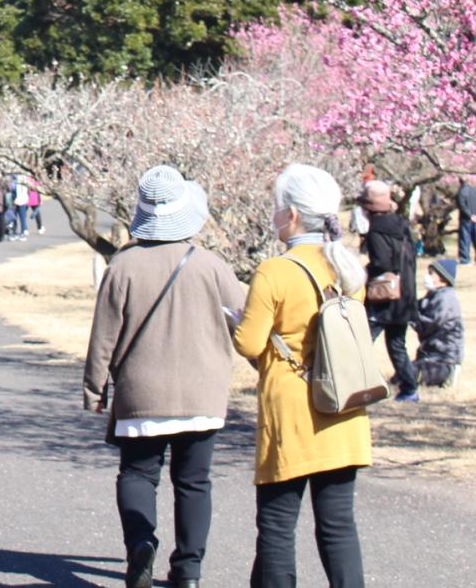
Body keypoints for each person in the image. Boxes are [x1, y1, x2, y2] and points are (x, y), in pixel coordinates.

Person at [84, 165, 247, 588]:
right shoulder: (212, 265)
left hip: (141, 391)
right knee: (194, 483)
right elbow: (245, 319)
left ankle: (141, 542)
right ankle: (188, 572)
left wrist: (94, 388)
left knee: (137, 475)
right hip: (202, 394)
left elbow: (104, 335)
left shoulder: (122, 266)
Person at [233, 163, 371, 588]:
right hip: (343, 405)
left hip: (291, 411)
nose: (274, 215)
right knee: (338, 525)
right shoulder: (347, 268)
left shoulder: (276, 271)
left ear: (292, 214)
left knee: (277, 525)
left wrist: (237, 321)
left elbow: (249, 344)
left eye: (277, 208)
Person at [360, 180, 420, 402]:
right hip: (404, 295)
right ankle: (409, 388)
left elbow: (383, 263)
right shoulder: (401, 225)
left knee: (362, 340)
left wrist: (367, 270)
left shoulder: (376, 230)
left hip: (384, 296)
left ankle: (357, 383)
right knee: (396, 343)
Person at [413, 258, 464, 388]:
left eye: (431, 273)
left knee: (411, 375)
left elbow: (427, 326)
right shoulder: (434, 295)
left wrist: (410, 316)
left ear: (443, 279)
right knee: (402, 374)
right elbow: (417, 308)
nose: (427, 277)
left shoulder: (446, 299)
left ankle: (449, 375)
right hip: (430, 356)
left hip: (444, 360)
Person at [456, 177, 476, 265]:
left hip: (466, 219)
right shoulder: (474, 190)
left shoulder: (461, 192)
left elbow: (462, 205)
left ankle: (465, 259)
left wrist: (470, 215)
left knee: (465, 239)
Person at [11, 174, 31, 241]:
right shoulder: (14, 177)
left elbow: (27, 190)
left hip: (22, 200)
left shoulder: (23, 177)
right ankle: (14, 232)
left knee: (22, 217)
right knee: (14, 217)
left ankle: (23, 232)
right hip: (16, 200)